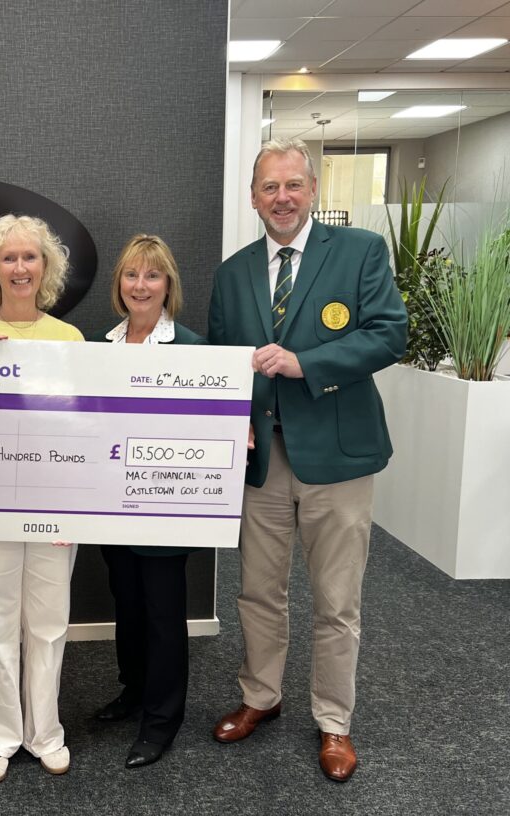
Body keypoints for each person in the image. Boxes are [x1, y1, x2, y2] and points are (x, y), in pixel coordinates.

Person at [208, 138, 407, 782]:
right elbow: (219, 364)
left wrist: (307, 364)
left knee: (336, 599)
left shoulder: (359, 252)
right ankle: (260, 696)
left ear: (313, 191)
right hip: (262, 461)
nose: (282, 198)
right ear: (254, 197)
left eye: (293, 185)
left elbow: (388, 334)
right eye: (270, 187)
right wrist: (229, 420)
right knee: (259, 591)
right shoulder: (233, 272)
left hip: (338, 457)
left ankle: (333, 721)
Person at [0, 214, 83, 783]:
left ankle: (45, 732)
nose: (20, 267)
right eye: (8, 258)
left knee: (50, 622)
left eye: (30, 257)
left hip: (55, 504)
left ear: (46, 267)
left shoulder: (70, 340)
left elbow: (84, 430)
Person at [92, 234, 204, 768]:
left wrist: (235, 432)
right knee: (128, 606)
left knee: (163, 615)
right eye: (132, 275)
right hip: (113, 507)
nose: (141, 285)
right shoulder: (100, 347)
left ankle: (162, 721)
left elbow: (215, 420)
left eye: (152, 275)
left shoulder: (192, 348)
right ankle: (134, 691)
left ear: (168, 286)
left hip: (164, 509)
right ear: (119, 284)